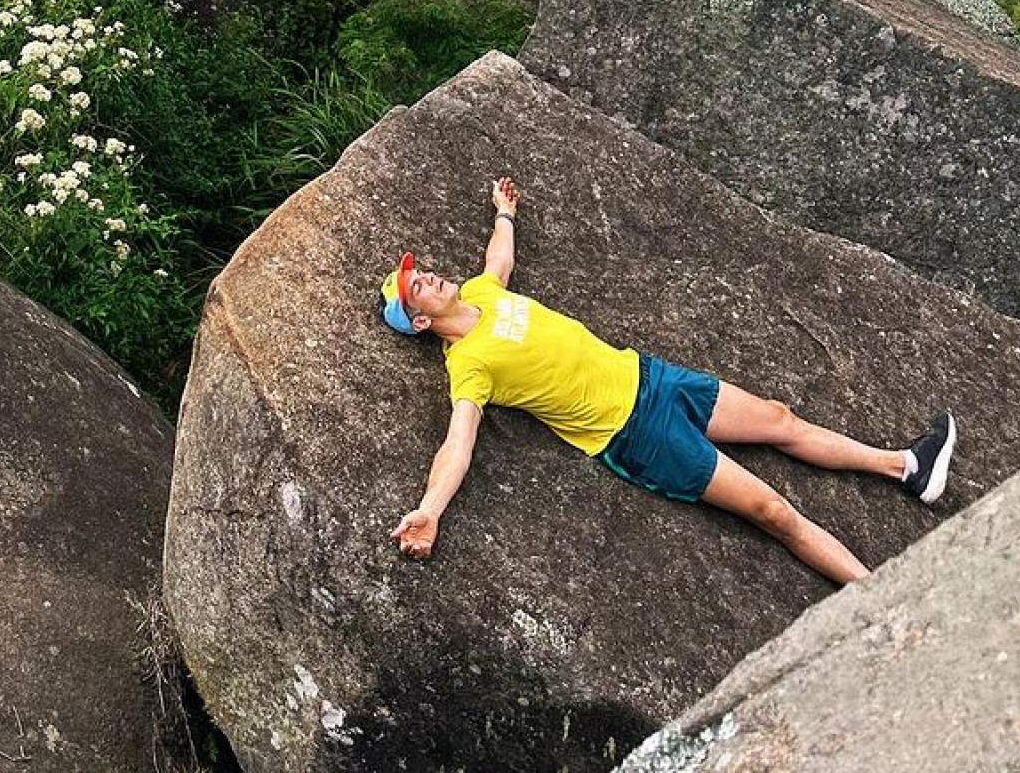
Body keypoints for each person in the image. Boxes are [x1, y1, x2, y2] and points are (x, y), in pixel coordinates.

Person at [383, 176, 955, 584]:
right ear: (423, 321)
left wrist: (504, 214)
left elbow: (497, 265)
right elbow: (458, 444)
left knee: (782, 419)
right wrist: (432, 508)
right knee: (774, 513)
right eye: (418, 288)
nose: (428, 276)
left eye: (421, 271)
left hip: (650, 375)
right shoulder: (468, 367)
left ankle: (906, 465)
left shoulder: (482, 293)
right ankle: (877, 598)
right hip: (635, 435)